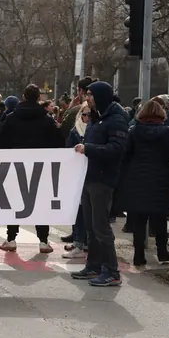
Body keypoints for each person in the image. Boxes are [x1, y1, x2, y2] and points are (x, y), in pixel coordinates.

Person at [71, 81, 128, 287]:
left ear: (101, 96)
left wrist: (89, 149)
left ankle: (112, 271)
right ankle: (94, 265)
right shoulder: (97, 118)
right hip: (89, 177)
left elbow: (116, 149)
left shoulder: (116, 119)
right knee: (91, 226)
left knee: (101, 227)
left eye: (91, 95)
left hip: (103, 180)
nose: (87, 98)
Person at [0, 84, 65, 253]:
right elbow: (58, 143)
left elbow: (2, 142)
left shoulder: (12, 118)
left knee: (15, 202)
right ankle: (43, 240)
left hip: (16, 166)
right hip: (40, 167)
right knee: (40, 202)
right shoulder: (47, 120)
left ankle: (11, 238)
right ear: (39, 98)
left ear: (24, 97)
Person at [118, 100, 169, 266]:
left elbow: (125, 156)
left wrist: (126, 176)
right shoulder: (167, 132)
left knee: (139, 218)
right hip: (160, 178)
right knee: (160, 218)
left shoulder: (134, 131)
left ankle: (138, 255)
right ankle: (162, 252)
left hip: (137, 178)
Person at [62, 102, 90, 259]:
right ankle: (79, 240)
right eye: (84, 114)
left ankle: (85, 241)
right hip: (77, 174)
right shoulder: (76, 130)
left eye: (88, 115)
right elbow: (68, 150)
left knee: (88, 209)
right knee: (77, 208)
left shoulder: (96, 129)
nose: (86, 118)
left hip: (92, 174)